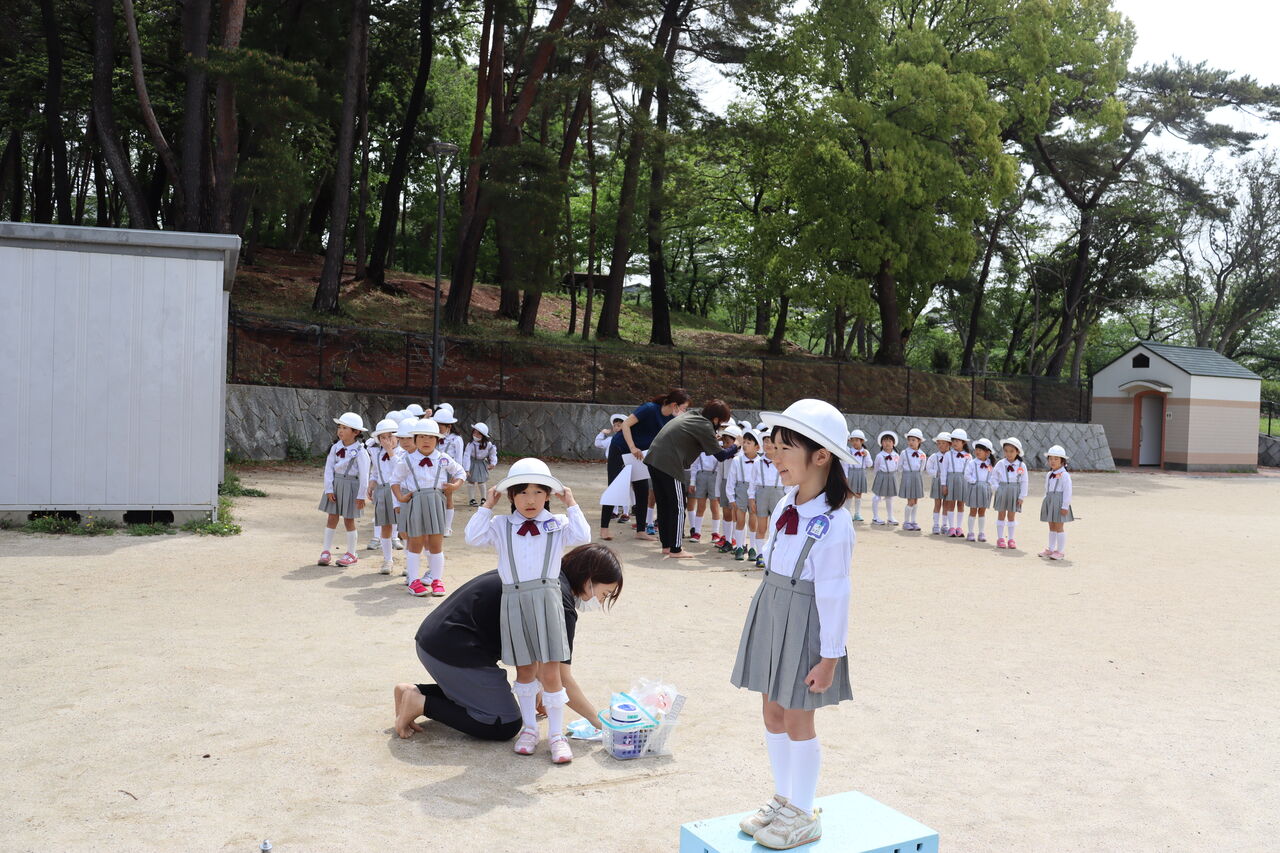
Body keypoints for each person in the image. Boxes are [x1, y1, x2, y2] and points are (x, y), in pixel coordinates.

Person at [731, 399, 855, 849]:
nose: (773, 455)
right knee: (772, 710)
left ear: (821, 455)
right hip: (772, 607)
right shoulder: (787, 501)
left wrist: (830, 657)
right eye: (773, 445)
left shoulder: (835, 522)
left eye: (785, 447)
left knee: (799, 718)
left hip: (806, 621)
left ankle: (803, 811)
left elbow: (836, 592)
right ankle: (783, 800)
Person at [394, 543, 623, 743]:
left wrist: (539, 689)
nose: (601, 600)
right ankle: (421, 703)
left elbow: (533, 645)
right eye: (605, 593)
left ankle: (413, 691)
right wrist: (598, 721)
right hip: (454, 651)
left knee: (499, 705)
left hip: (432, 638)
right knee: (503, 723)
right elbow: (561, 677)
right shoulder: (559, 603)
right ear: (589, 579)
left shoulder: (543, 573)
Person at [464, 458, 591, 763]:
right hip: (514, 599)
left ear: (548, 494)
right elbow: (471, 537)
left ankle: (557, 735)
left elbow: (583, 536)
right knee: (524, 669)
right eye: (521, 492)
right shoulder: (501, 525)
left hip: (547, 599)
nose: (530, 500)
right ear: (510, 496)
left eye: (537, 492)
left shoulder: (558, 524)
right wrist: (487, 504)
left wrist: (571, 503)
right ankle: (530, 730)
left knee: (550, 669)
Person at [644, 400, 738, 558]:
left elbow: (696, 441)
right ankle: (676, 549)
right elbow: (721, 456)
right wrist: (737, 445)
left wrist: (712, 439)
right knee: (679, 507)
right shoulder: (705, 425)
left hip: (654, 458)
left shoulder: (693, 416)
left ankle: (666, 546)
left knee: (665, 504)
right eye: (721, 422)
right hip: (669, 462)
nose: (720, 425)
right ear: (715, 419)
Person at [390, 418, 466, 596]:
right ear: (415, 439)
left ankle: (437, 580)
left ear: (438, 440)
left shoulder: (443, 458)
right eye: (422, 437)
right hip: (416, 502)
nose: (426, 441)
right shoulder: (407, 460)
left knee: (436, 543)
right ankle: (414, 581)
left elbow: (460, 472)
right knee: (415, 542)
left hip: (436, 502)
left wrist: (454, 486)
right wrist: (400, 497)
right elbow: (394, 480)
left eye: (431, 437)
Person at [601, 389, 690, 540]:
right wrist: (632, 447)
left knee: (642, 489)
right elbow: (626, 425)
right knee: (615, 486)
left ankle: (640, 531)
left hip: (640, 455)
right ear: (675, 405)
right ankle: (604, 529)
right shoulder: (649, 409)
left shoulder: (671, 420)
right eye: (684, 408)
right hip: (621, 449)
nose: (684, 412)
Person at [317, 412, 370, 567]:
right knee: (331, 517)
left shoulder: (361, 451)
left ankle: (351, 553)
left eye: (345, 428)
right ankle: (326, 551)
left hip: (351, 486)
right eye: (339, 427)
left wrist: (361, 496)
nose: (340, 430)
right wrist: (329, 489)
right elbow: (328, 469)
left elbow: (364, 474)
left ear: (356, 432)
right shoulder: (335, 447)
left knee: (349, 520)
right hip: (336, 484)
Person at [367, 418, 403, 575]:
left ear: (397, 437)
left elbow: (400, 471)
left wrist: (391, 452)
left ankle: (411, 562)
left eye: (390, 436)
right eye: (383, 438)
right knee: (385, 526)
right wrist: (371, 484)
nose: (387, 440)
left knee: (404, 527)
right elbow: (375, 472)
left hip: (399, 491)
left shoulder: (403, 453)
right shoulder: (376, 453)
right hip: (382, 491)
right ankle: (388, 560)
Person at [725, 429, 764, 561]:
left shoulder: (761, 461)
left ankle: (752, 548)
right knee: (740, 520)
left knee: (753, 520)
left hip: (755, 492)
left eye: (749, 442)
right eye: (744, 442)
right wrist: (731, 497)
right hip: (740, 489)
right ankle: (740, 547)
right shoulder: (737, 460)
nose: (745, 445)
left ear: (757, 447)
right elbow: (731, 480)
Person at [751, 439, 786, 569]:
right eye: (765, 442)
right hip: (762, 493)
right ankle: (760, 554)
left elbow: (787, 482)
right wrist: (751, 498)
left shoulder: (782, 461)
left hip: (778, 493)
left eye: (771, 442)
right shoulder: (757, 462)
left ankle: (774, 555)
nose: (768, 445)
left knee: (777, 527)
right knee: (761, 527)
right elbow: (753, 482)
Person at [433, 405, 465, 536]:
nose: (439, 426)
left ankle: (447, 527)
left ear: (449, 426)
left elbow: (459, 459)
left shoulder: (456, 439)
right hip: (434, 471)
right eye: (437, 423)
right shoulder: (432, 437)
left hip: (448, 471)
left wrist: (455, 477)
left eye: (442, 424)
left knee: (448, 497)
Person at [1040, 444, 1074, 560]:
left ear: (1062, 461)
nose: (1052, 461)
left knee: (1059, 526)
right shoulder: (1049, 474)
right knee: (1051, 526)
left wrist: (1065, 506)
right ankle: (1050, 548)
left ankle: (1060, 551)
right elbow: (1046, 488)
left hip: (1060, 502)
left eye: (1056, 459)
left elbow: (1067, 491)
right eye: (1050, 459)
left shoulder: (1065, 475)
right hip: (1050, 501)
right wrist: (1046, 501)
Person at [993, 438, 1028, 550]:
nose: (1008, 454)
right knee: (1001, 514)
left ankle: (1011, 539)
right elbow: (994, 477)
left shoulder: (1021, 465)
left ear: (1017, 452)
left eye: (1011, 451)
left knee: (1011, 515)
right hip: (1003, 489)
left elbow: (1024, 481)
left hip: (1015, 491)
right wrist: (997, 489)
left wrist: (1022, 496)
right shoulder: (1000, 464)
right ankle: (1000, 538)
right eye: (1006, 451)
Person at [596, 414, 629, 522]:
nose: (616, 427)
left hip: (625, 465)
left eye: (619, 425)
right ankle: (614, 511)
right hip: (612, 465)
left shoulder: (629, 439)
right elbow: (598, 443)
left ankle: (626, 512)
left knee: (626, 488)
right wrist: (602, 433)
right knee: (613, 487)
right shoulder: (611, 439)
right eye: (615, 425)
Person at [964, 438, 997, 542]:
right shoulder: (972, 463)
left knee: (982, 511)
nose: (977, 452)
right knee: (973, 510)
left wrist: (989, 485)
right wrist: (974, 481)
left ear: (987, 452)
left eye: (980, 450)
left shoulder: (990, 465)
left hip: (985, 489)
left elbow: (993, 477)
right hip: (974, 488)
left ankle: (981, 532)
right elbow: (967, 474)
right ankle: (970, 532)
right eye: (976, 449)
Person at [687, 446, 722, 542]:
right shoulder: (701, 448)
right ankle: (697, 532)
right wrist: (692, 482)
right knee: (700, 506)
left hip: (714, 476)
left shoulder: (718, 447)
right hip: (701, 476)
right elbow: (694, 466)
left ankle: (715, 533)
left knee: (714, 507)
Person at [942, 428, 971, 537]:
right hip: (951, 480)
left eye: (958, 441)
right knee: (951, 503)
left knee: (961, 504)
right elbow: (944, 471)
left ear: (963, 443)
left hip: (963, 480)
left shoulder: (968, 456)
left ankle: (959, 527)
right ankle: (951, 527)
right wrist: (944, 484)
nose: (955, 443)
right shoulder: (948, 455)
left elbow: (969, 471)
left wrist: (969, 485)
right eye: (953, 440)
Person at [897, 428, 927, 531]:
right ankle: (906, 522)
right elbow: (899, 466)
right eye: (909, 440)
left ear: (919, 441)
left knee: (915, 501)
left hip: (917, 477)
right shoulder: (904, 453)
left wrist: (916, 474)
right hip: (907, 476)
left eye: (913, 440)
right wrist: (906, 474)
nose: (911, 442)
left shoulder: (922, 454)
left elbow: (922, 467)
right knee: (910, 500)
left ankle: (913, 521)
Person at [462, 423, 498, 506]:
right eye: (474, 432)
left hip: (482, 463)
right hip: (472, 463)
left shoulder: (488, 445)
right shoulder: (470, 444)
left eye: (478, 433)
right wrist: (466, 469)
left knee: (482, 481)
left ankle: (483, 498)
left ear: (483, 435)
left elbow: (493, 454)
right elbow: (466, 456)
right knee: (471, 481)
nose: (475, 435)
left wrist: (493, 463)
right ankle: (472, 499)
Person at [870, 430, 900, 526]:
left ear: (893, 443)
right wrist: (879, 477)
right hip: (881, 476)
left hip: (892, 476)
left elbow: (898, 466)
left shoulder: (896, 455)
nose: (887, 443)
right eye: (885, 441)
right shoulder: (879, 456)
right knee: (877, 497)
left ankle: (890, 517)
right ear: (881, 443)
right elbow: (876, 468)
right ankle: (875, 517)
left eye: (890, 441)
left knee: (890, 497)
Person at [925, 431, 952, 535]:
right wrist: (936, 473)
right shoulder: (934, 457)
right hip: (937, 481)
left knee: (946, 504)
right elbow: (928, 468)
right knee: (937, 503)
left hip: (948, 481)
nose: (941, 445)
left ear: (949, 444)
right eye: (939, 443)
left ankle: (944, 525)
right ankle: (935, 524)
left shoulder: (951, 456)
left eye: (943, 443)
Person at [843, 430, 871, 521]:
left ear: (862, 441)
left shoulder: (865, 452)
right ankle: (847, 513)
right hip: (851, 473)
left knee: (858, 494)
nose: (854, 442)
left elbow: (870, 464)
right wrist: (846, 476)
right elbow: (846, 464)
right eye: (852, 440)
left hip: (861, 473)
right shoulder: (849, 451)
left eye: (857, 440)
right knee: (849, 494)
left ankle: (857, 513)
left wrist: (866, 456)